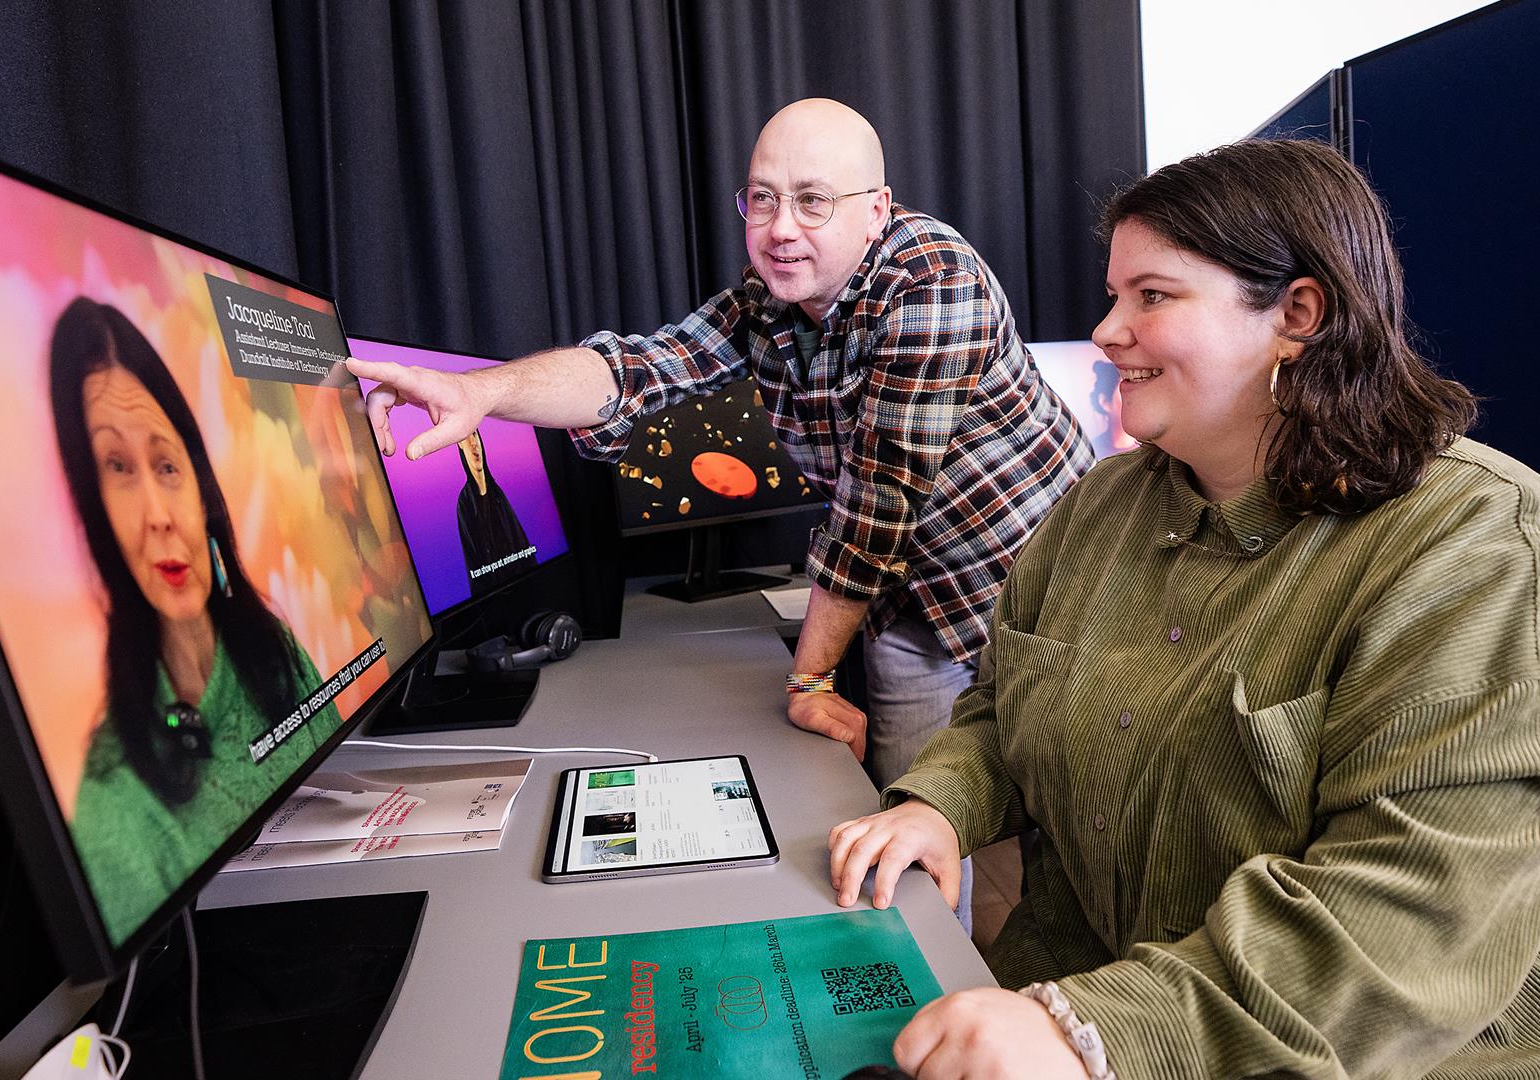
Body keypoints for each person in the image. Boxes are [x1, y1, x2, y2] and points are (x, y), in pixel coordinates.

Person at [827, 140, 1540, 1079]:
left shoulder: (1480, 543)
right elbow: (1001, 706)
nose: (1106, 332)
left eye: (1152, 296)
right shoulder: (1102, 507)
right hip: (1123, 1001)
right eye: (1115, 297)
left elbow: (1401, 920)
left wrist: (1089, 1030)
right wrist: (945, 803)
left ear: (1297, 316)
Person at [348, 99, 1092, 806]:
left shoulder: (933, 280)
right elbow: (636, 369)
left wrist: (807, 683)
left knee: (1062, 828)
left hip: (1044, 588)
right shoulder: (766, 303)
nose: (780, 228)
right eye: (762, 199)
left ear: (877, 210)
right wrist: (477, 393)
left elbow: (878, 504)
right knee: (919, 823)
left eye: (812, 199)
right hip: (912, 606)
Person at [49, 297, 341, 944]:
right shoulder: (114, 811)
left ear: (200, 486)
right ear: (91, 508)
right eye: (117, 469)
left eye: (165, 465)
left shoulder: (273, 646)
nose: (158, 514)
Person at [454, 427, 535, 596]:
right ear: (460, 445)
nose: (473, 444)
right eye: (466, 437)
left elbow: (520, 540)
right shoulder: (464, 502)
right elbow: (473, 562)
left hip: (525, 587)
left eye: (475, 435)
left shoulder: (498, 492)